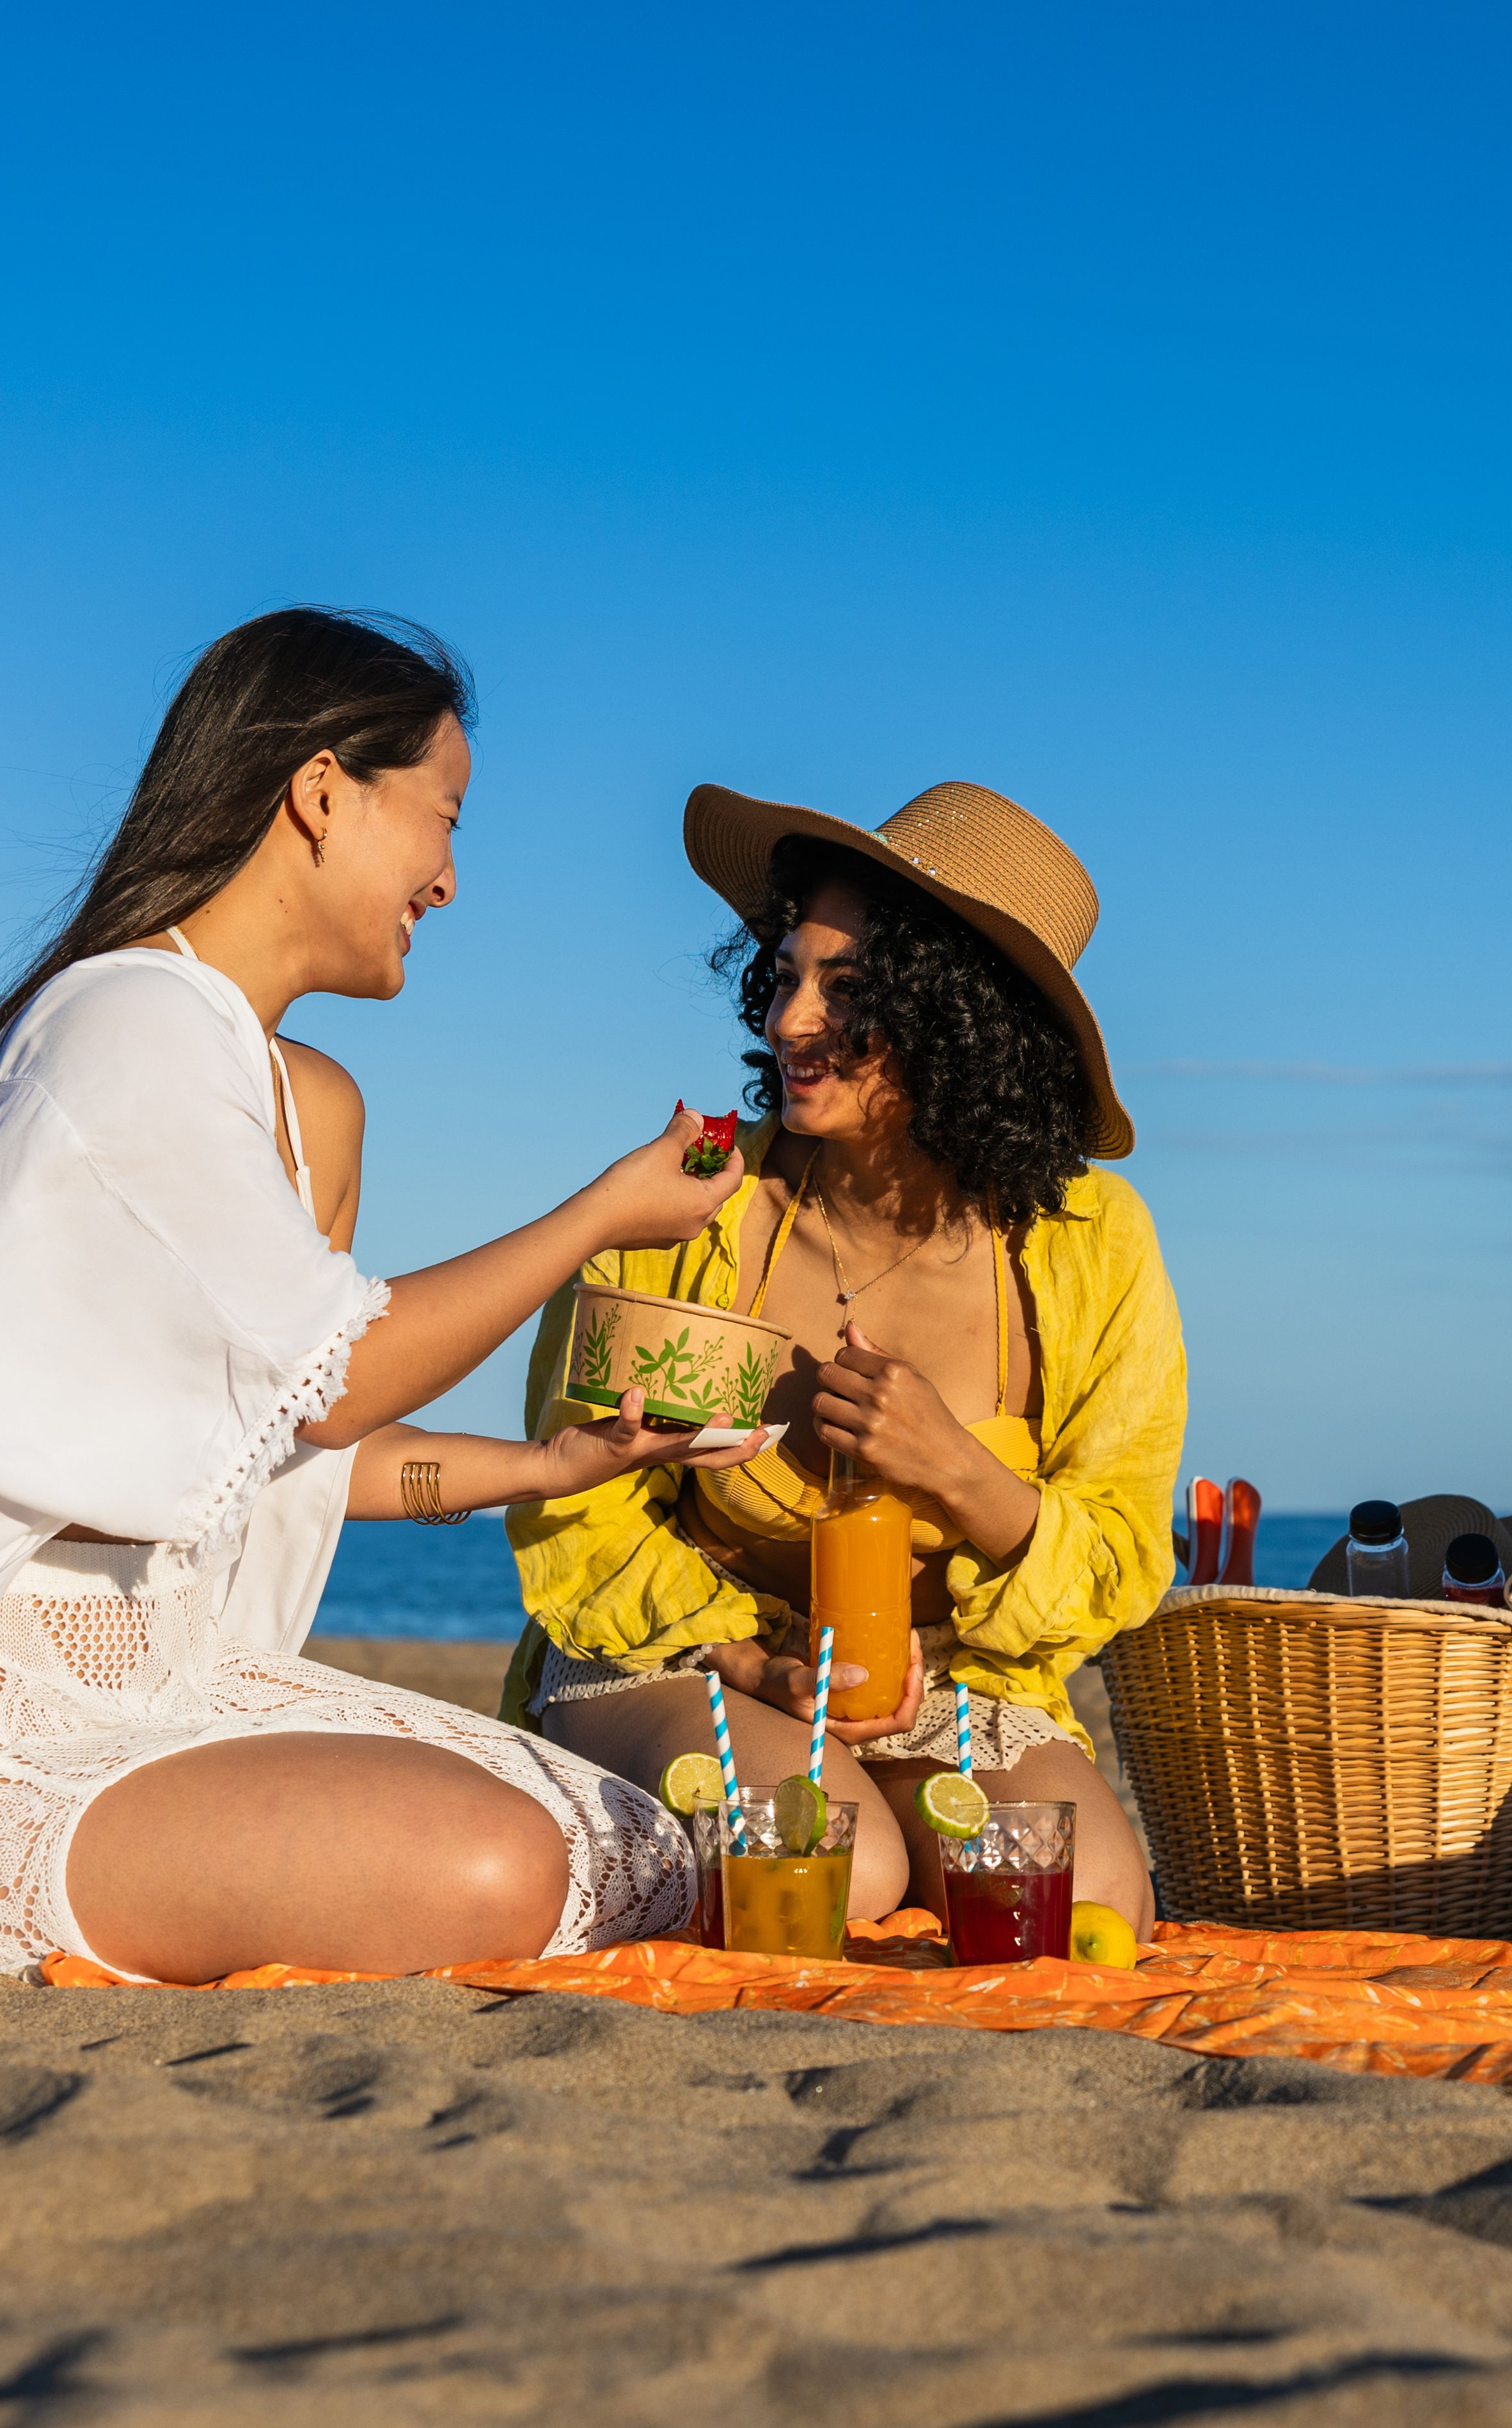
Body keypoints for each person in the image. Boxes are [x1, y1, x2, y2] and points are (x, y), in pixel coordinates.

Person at [0, 608, 742, 1981]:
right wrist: (603, 1213)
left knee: (644, 1848)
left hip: (163, 1678)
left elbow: (279, 1445)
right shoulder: (127, 1026)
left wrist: (551, 1462)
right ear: (319, 791)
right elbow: (346, 1369)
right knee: (502, 1867)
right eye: (444, 817)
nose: (447, 878)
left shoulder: (292, 1096)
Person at [505, 782, 1183, 1929]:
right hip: (690, 1655)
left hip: (948, 1680)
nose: (787, 1022)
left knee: (1076, 1898)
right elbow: (581, 1504)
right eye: (785, 974)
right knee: (837, 1866)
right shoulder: (695, 1207)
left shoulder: (1088, 1245)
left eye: (849, 991)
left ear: (966, 1023)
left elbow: (1120, 1548)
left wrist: (956, 1470)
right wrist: (759, 1666)